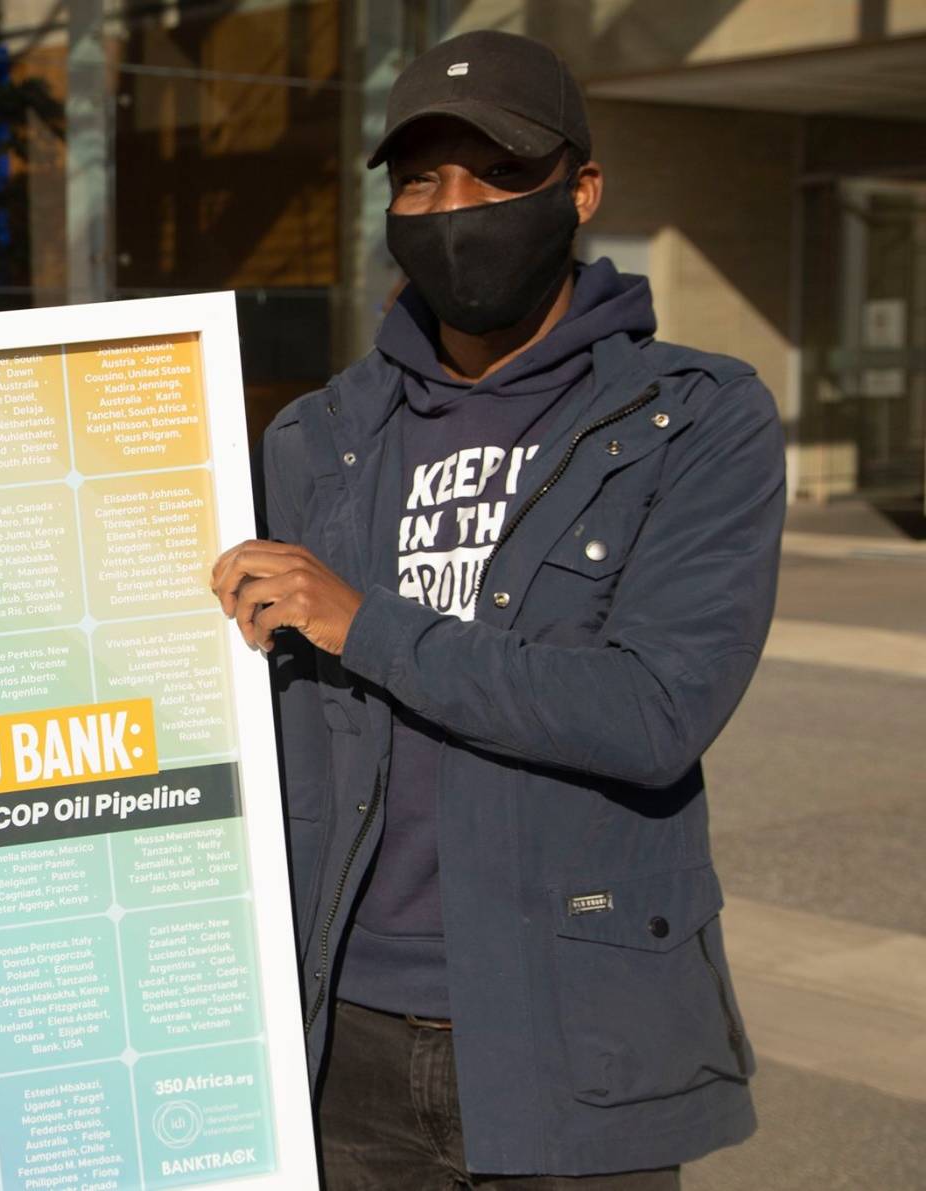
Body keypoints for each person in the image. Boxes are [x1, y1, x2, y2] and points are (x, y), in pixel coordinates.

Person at [211, 30, 780, 1189]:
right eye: (420, 180)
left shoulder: (693, 418)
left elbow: (652, 711)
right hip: (344, 1039)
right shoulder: (311, 438)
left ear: (580, 189)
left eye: (497, 173)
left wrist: (366, 624)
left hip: (572, 1029)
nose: (454, 210)